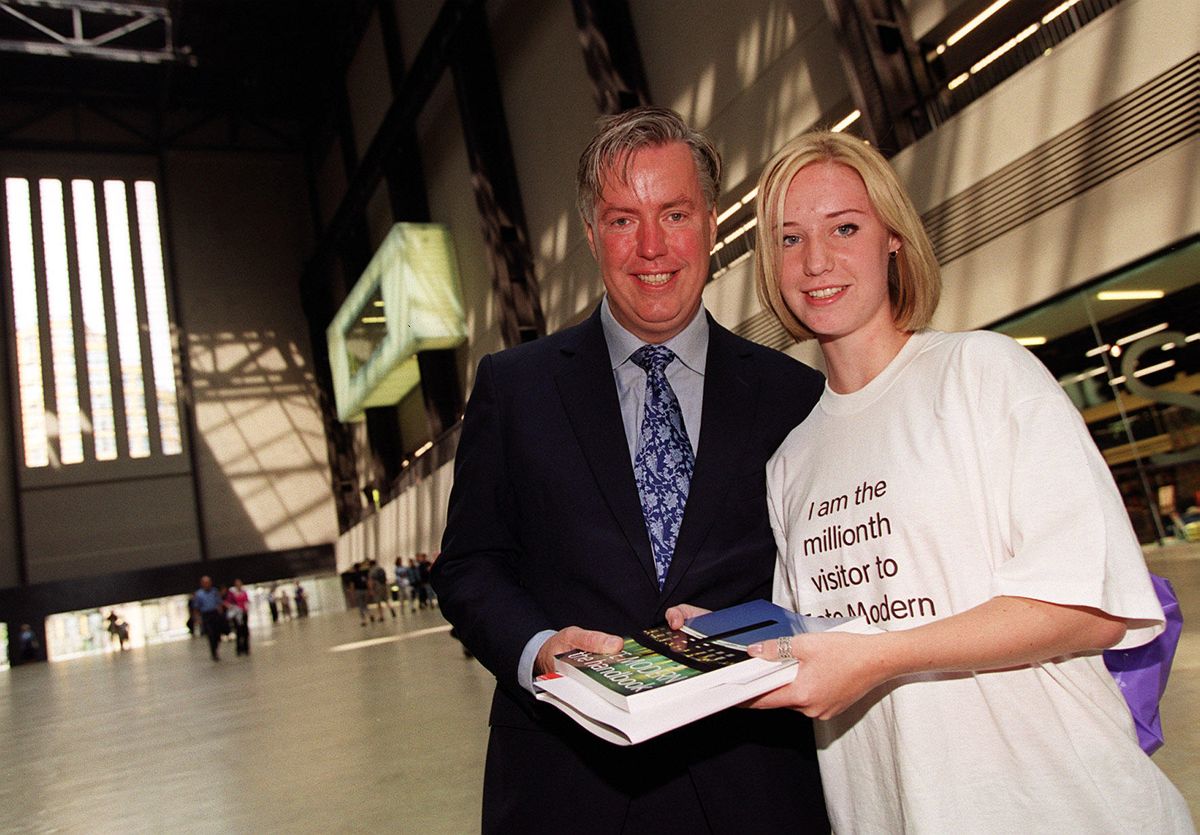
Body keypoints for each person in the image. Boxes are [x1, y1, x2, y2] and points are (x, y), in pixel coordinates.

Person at [744, 130, 1193, 832]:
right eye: (789, 238)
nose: (816, 261)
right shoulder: (791, 461)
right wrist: (715, 647)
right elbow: (818, 643)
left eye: (845, 227)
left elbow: (1093, 606)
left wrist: (880, 657)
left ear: (892, 238)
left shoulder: (983, 374)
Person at [432, 106, 828, 833]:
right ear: (590, 235)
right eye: (622, 219)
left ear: (710, 222)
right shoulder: (515, 389)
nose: (652, 246)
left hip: (754, 783)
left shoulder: (794, 396)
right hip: (568, 783)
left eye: (674, 213)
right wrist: (536, 649)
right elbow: (469, 565)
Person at [192, 576, 225, 661]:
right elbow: (196, 607)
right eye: (205, 582)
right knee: (211, 634)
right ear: (202, 584)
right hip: (206, 615)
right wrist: (197, 618)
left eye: (208, 582)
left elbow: (219, 603)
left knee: (217, 634)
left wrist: (221, 613)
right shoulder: (199, 594)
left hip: (215, 614)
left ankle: (216, 647)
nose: (207, 584)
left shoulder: (214, 591)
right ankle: (213, 653)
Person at [225, 579, 251, 656]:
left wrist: (246, 608)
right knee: (238, 631)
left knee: (245, 631)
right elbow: (228, 602)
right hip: (236, 615)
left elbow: (247, 601)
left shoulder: (244, 592)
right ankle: (239, 648)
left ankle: (246, 648)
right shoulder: (232, 593)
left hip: (243, 613)